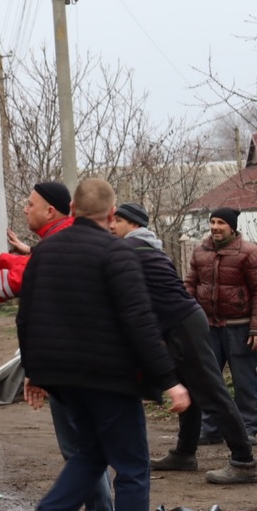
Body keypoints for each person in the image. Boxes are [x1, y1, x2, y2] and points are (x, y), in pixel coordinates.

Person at [0, 181, 112, 511]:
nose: (25, 208)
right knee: (92, 449)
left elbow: (6, 285)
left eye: (30, 204)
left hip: (68, 367)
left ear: (50, 211)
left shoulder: (55, 245)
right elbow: (29, 266)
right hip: (86, 363)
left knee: (82, 451)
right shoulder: (64, 239)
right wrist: (0, 257)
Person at [18, 179, 189, 511]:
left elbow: (26, 317)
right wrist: (169, 380)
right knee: (132, 466)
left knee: (91, 454)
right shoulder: (117, 252)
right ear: (111, 214)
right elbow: (139, 320)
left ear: (72, 209)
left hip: (64, 381)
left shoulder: (44, 252)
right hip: (110, 379)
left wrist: (33, 372)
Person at [109, 201, 256, 484]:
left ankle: (244, 461)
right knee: (186, 388)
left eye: (117, 221)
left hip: (183, 324)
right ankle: (185, 453)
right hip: (181, 322)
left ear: (133, 224)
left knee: (211, 390)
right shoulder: (149, 248)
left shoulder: (132, 248)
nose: (112, 226)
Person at [185, 207, 257, 446]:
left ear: (232, 227)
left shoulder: (249, 253)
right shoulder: (200, 252)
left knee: (244, 381)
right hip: (208, 328)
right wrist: (186, 319)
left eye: (221, 223)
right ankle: (211, 429)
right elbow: (190, 285)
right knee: (208, 381)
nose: (215, 227)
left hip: (240, 328)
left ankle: (249, 427)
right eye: (213, 222)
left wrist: (255, 328)